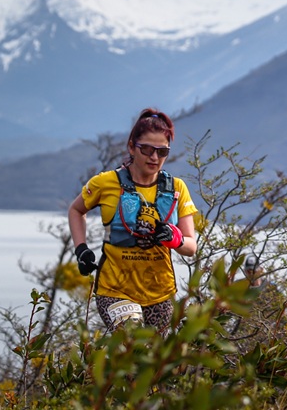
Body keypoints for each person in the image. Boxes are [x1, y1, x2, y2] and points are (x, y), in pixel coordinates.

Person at [67, 108, 199, 332]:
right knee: (135, 341)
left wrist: (174, 239)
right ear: (131, 147)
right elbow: (75, 210)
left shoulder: (177, 188)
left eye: (162, 151)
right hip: (114, 289)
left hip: (160, 292)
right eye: (147, 149)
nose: (154, 157)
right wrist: (81, 249)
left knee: (152, 363)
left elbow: (190, 247)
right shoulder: (105, 183)